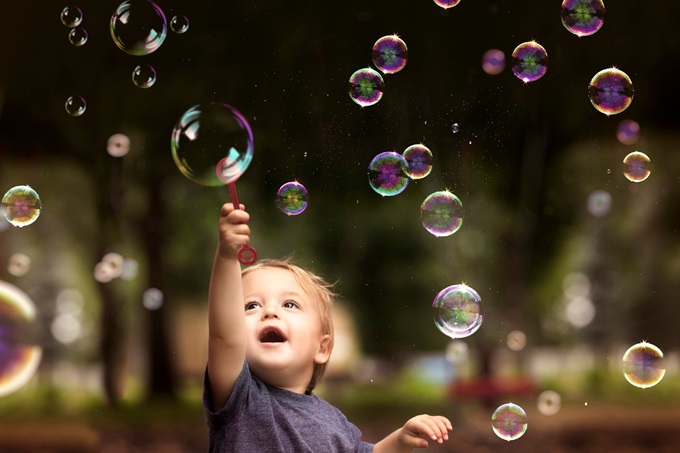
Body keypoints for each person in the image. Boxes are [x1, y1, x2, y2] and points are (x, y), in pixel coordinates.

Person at [203, 202, 453, 452]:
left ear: (322, 347)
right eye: (251, 306)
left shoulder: (334, 421)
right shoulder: (240, 399)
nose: (269, 311)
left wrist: (400, 440)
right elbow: (225, 337)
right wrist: (227, 256)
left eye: (289, 304)